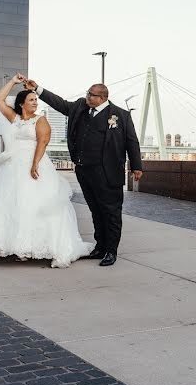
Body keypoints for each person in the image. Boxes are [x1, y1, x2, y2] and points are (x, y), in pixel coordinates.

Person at [0, 73, 93, 268]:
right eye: (32, 99)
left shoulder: (40, 120)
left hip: (35, 163)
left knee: (33, 202)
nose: (35, 102)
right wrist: (12, 82)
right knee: (12, 203)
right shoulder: (15, 118)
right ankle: (13, 244)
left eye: (36, 99)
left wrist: (35, 164)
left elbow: (43, 142)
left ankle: (35, 245)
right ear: (21, 103)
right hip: (12, 166)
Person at [22, 77, 143, 267]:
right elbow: (60, 104)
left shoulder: (120, 115)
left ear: (102, 98)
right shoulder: (80, 107)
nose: (86, 96)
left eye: (91, 95)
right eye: (87, 93)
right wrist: (37, 89)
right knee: (95, 210)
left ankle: (111, 251)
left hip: (108, 172)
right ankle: (100, 247)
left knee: (111, 212)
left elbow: (131, 142)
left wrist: (136, 166)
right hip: (84, 170)